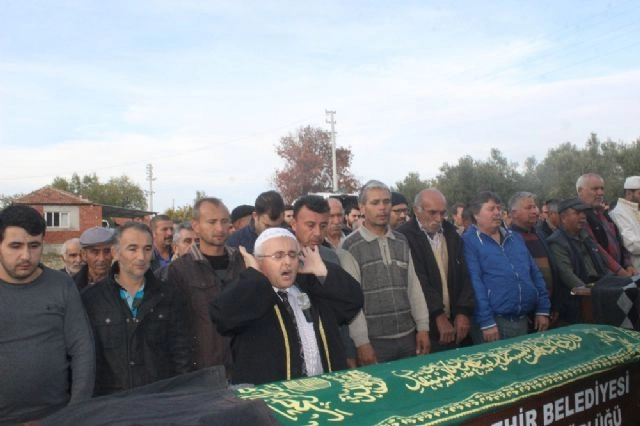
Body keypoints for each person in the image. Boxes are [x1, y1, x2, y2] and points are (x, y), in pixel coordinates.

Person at [211, 228, 363, 385]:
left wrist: (322, 270)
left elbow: (352, 304)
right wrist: (253, 277)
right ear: (259, 261)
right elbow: (222, 317)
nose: (287, 262)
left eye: (292, 255)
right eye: (278, 256)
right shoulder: (250, 294)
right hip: (272, 396)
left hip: (322, 389)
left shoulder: (312, 289)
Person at [0, 205, 94, 424]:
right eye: (15, 246)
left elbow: (82, 349)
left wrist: (75, 412)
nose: (26, 255)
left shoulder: (61, 285)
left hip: (55, 416)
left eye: (34, 245)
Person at [82, 222, 191, 395]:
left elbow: (181, 354)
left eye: (147, 249)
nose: (141, 257)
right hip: (111, 401)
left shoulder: (169, 296)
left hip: (159, 398)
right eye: (132, 249)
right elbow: (87, 359)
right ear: (116, 252)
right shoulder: (92, 299)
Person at [342, 180, 430, 365]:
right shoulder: (350, 246)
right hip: (374, 343)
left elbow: (414, 288)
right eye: (375, 203)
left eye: (386, 201)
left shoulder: (401, 241)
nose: (382, 207)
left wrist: (423, 327)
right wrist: (362, 342)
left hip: (408, 336)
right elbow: (350, 301)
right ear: (362, 207)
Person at [167, 198, 244, 373]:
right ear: (196, 225)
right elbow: (175, 329)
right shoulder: (180, 270)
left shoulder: (243, 262)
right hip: (203, 371)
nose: (220, 228)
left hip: (243, 366)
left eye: (224, 221)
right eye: (212, 222)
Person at [462, 191, 550, 342]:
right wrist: (486, 321)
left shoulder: (514, 238)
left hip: (523, 319)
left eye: (499, 208)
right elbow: (475, 283)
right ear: (476, 215)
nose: (497, 212)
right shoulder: (469, 242)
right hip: (494, 323)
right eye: (491, 209)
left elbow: (534, 273)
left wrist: (543, 308)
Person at [397, 189, 474, 352]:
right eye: (432, 213)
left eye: (442, 213)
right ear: (416, 210)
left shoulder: (452, 234)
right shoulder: (403, 238)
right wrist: (438, 315)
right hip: (425, 327)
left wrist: (463, 311)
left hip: (457, 322)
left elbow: (467, 274)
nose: (439, 218)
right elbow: (418, 280)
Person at [547, 198, 608, 324]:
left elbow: (600, 265)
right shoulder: (557, 242)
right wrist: (590, 292)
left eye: (584, 213)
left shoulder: (585, 236)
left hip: (597, 293)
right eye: (577, 213)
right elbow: (567, 275)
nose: (583, 216)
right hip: (578, 302)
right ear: (563, 218)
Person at [508, 191, 560, 325]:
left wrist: (554, 304)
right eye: (528, 208)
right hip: (528, 313)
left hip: (548, 307)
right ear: (514, 213)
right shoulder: (509, 240)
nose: (535, 211)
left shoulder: (540, 235)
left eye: (535, 206)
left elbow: (552, 270)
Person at [576, 173, 637, 277]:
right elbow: (596, 248)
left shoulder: (603, 214)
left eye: (602, 188)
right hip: (605, 278)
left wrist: (628, 264)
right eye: (595, 189)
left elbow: (619, 241)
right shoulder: (580, 217)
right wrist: (620, 271)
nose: (600, 193)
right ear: (580, 191)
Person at [609, 176, 640, 270]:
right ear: (629, 193)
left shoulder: (637, 209)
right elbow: (632, 245)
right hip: (635, 267)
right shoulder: (619, 213)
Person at [73, 226, 115, 291]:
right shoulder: (71, 285)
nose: (102, 259)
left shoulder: (124, 283)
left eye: (107, 251)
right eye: (95, 252)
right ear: (84, 255)